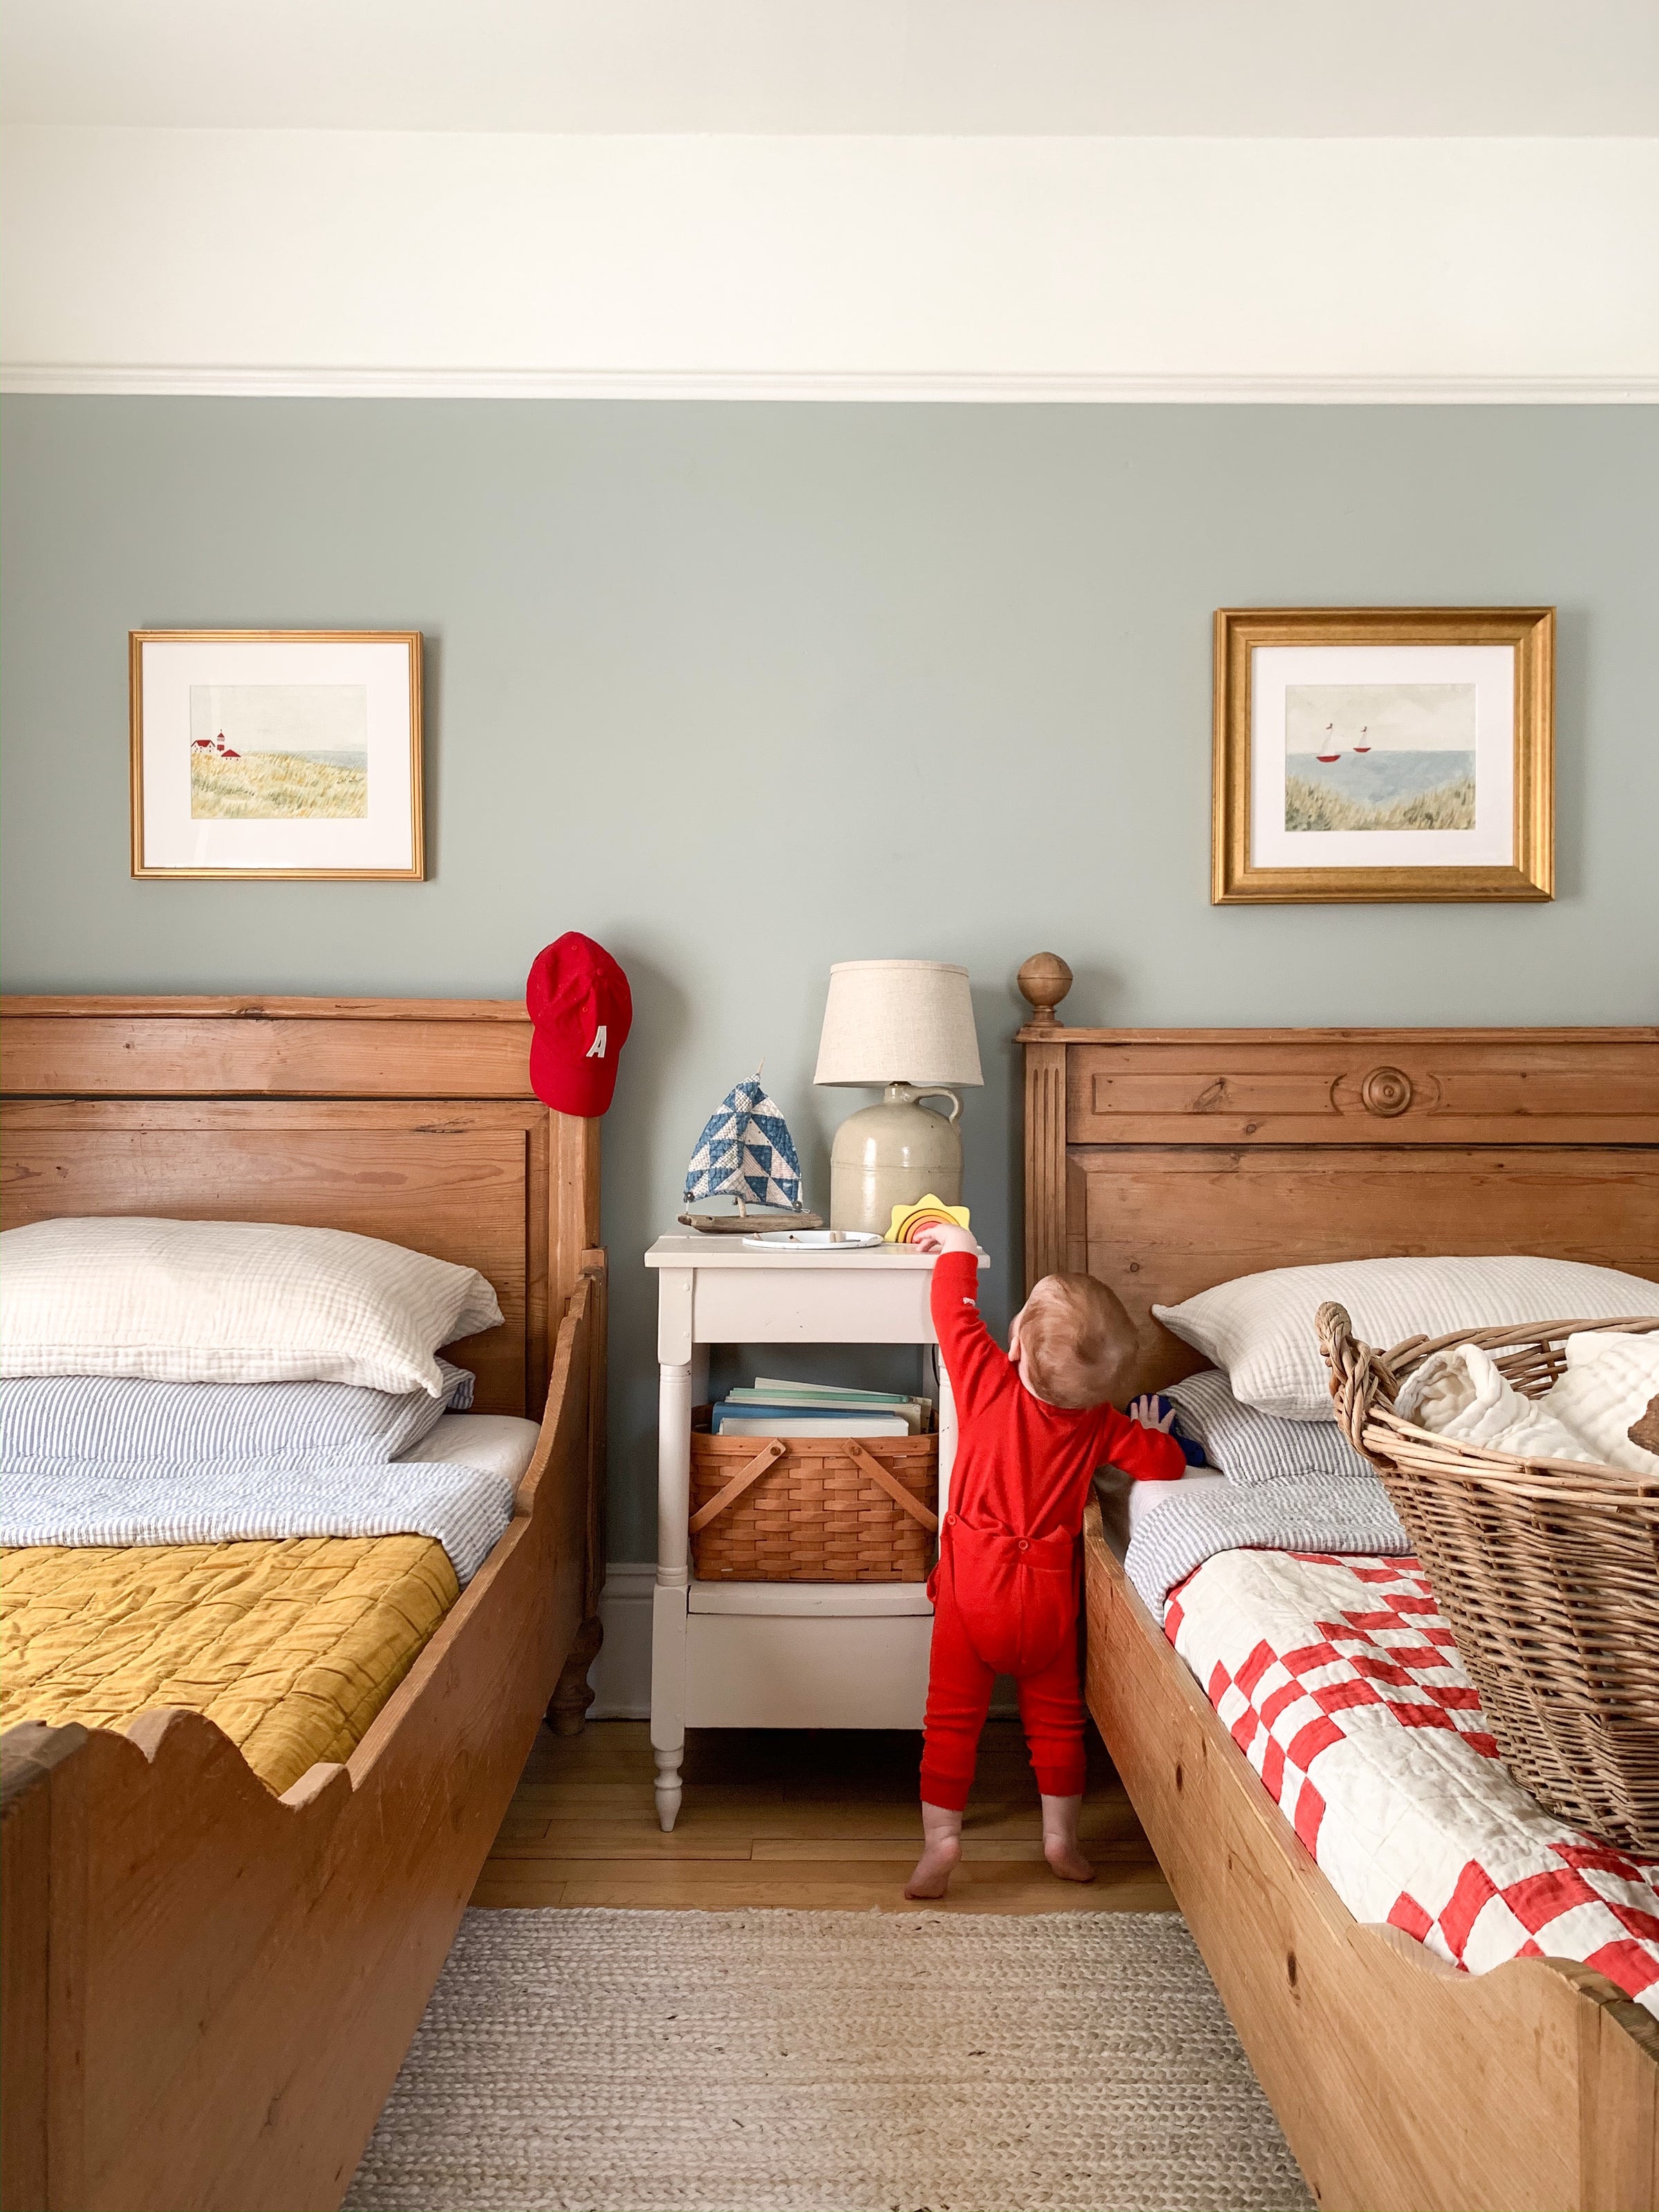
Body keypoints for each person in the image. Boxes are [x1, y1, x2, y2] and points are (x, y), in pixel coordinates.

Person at [904, 1221, 1185, 1900]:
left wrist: (960, 1247)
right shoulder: (1100, 1424)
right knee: (1058, 1722)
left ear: (1017, 1346)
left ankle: (942, 1839)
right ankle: (1060, 1837)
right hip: (1049, 1603)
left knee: (950, 1721)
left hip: (974, 1592)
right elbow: (1165, 1464)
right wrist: (1155, 1434)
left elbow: (952, 1311)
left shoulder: (985, 1383)